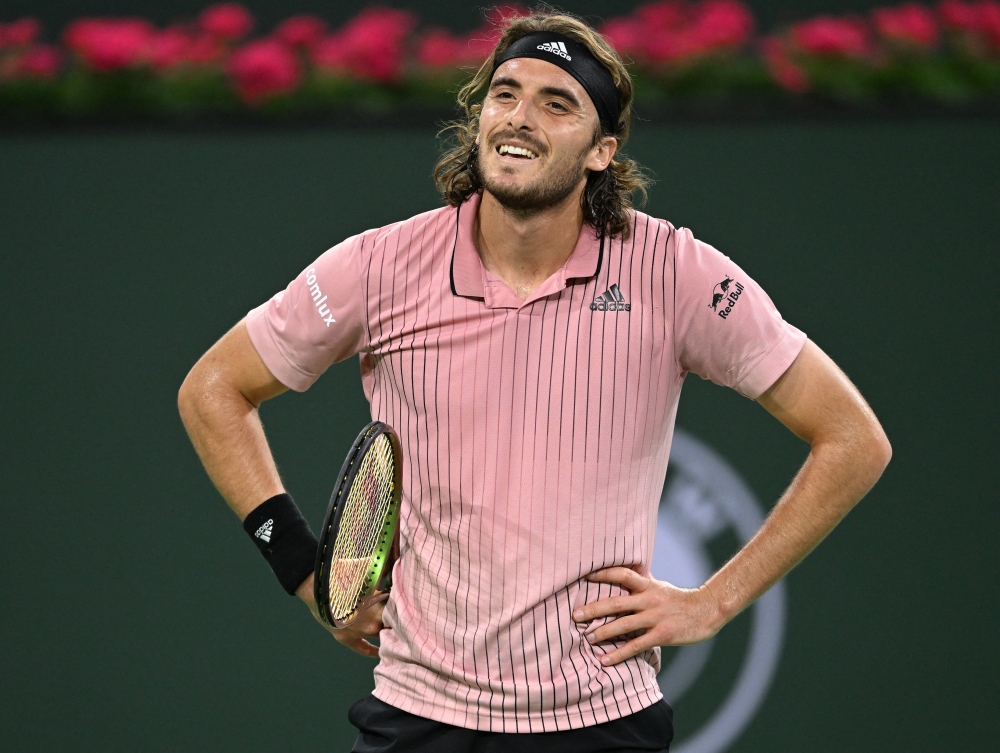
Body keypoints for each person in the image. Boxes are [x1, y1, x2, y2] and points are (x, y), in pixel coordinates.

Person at [178, 11, 891, 753]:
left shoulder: (675, 272)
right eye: (505, 93)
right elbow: (215, 387)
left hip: (602, 721)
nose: (519, 118)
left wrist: (714, 602)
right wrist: (300, 565)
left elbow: (852, 437)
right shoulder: (377, 267)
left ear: (601, 151)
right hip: (417, 714)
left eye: (558, 103)